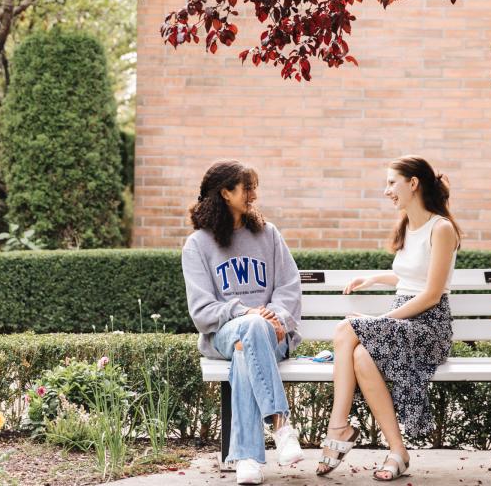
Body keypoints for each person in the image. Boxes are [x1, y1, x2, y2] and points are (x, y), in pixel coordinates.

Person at [315, 155, 461, 481]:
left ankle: (338, 428)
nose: (386, 191)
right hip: (406, 321)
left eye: (391, 182)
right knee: (361, 356)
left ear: (413, 183)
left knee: (346, 327)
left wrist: (381, 320)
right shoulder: (407, 227)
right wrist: (375, 279)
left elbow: (432, 294)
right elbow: (411, 279)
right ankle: (398, 451)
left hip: (430, 326)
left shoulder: (443, 228)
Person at [182, 160, 304, 485]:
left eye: (254, 187)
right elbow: (202, 311)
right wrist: (245, 312)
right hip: (224, 333)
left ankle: (247, 457)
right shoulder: (198, 245)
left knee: (245, 349)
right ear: (225, 193)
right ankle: (281, 425)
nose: (254, 194)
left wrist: (275, 318)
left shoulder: (267, 234)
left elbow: (289, 286)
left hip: (271, 334)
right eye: (246, 188)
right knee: (249, 330)